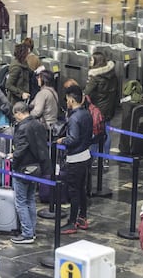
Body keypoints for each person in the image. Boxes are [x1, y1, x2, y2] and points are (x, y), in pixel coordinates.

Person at [8, 102, 50, 244]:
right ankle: (31, 230)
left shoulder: (23, 127)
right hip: (36, 168)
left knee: (21, 202)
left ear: (19, 112)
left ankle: (27, 233)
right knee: (30, 199)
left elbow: (21, 149)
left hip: (23, 168)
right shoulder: (38, 124)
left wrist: (13, 158)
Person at [56, 85, 93, 234]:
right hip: (86, 155)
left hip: (75, 158)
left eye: (67, 100)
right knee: (82, 189)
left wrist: (62, 141)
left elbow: (73, 139)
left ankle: (72, 222)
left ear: (71, 100)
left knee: (74, 191)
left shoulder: (74, 118)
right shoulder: (87, 113)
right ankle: (82, 217)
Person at [84, 52, 119, 167]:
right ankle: (106, 159)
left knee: (95, 132)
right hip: (109, 108)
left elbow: (87, 92)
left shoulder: (95, 76)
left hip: (97, 109)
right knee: (107, 133)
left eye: (92, 60)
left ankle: (94, 158)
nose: (90, 62)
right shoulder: (112, 74)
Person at [30, 68, 58, 139]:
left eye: (39, 77)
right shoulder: (53, 92)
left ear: (44, 80)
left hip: (44, 127)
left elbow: (37, 112)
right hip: (53, 126)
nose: (38, 79)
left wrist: (28, 115)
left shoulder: (42, 93)